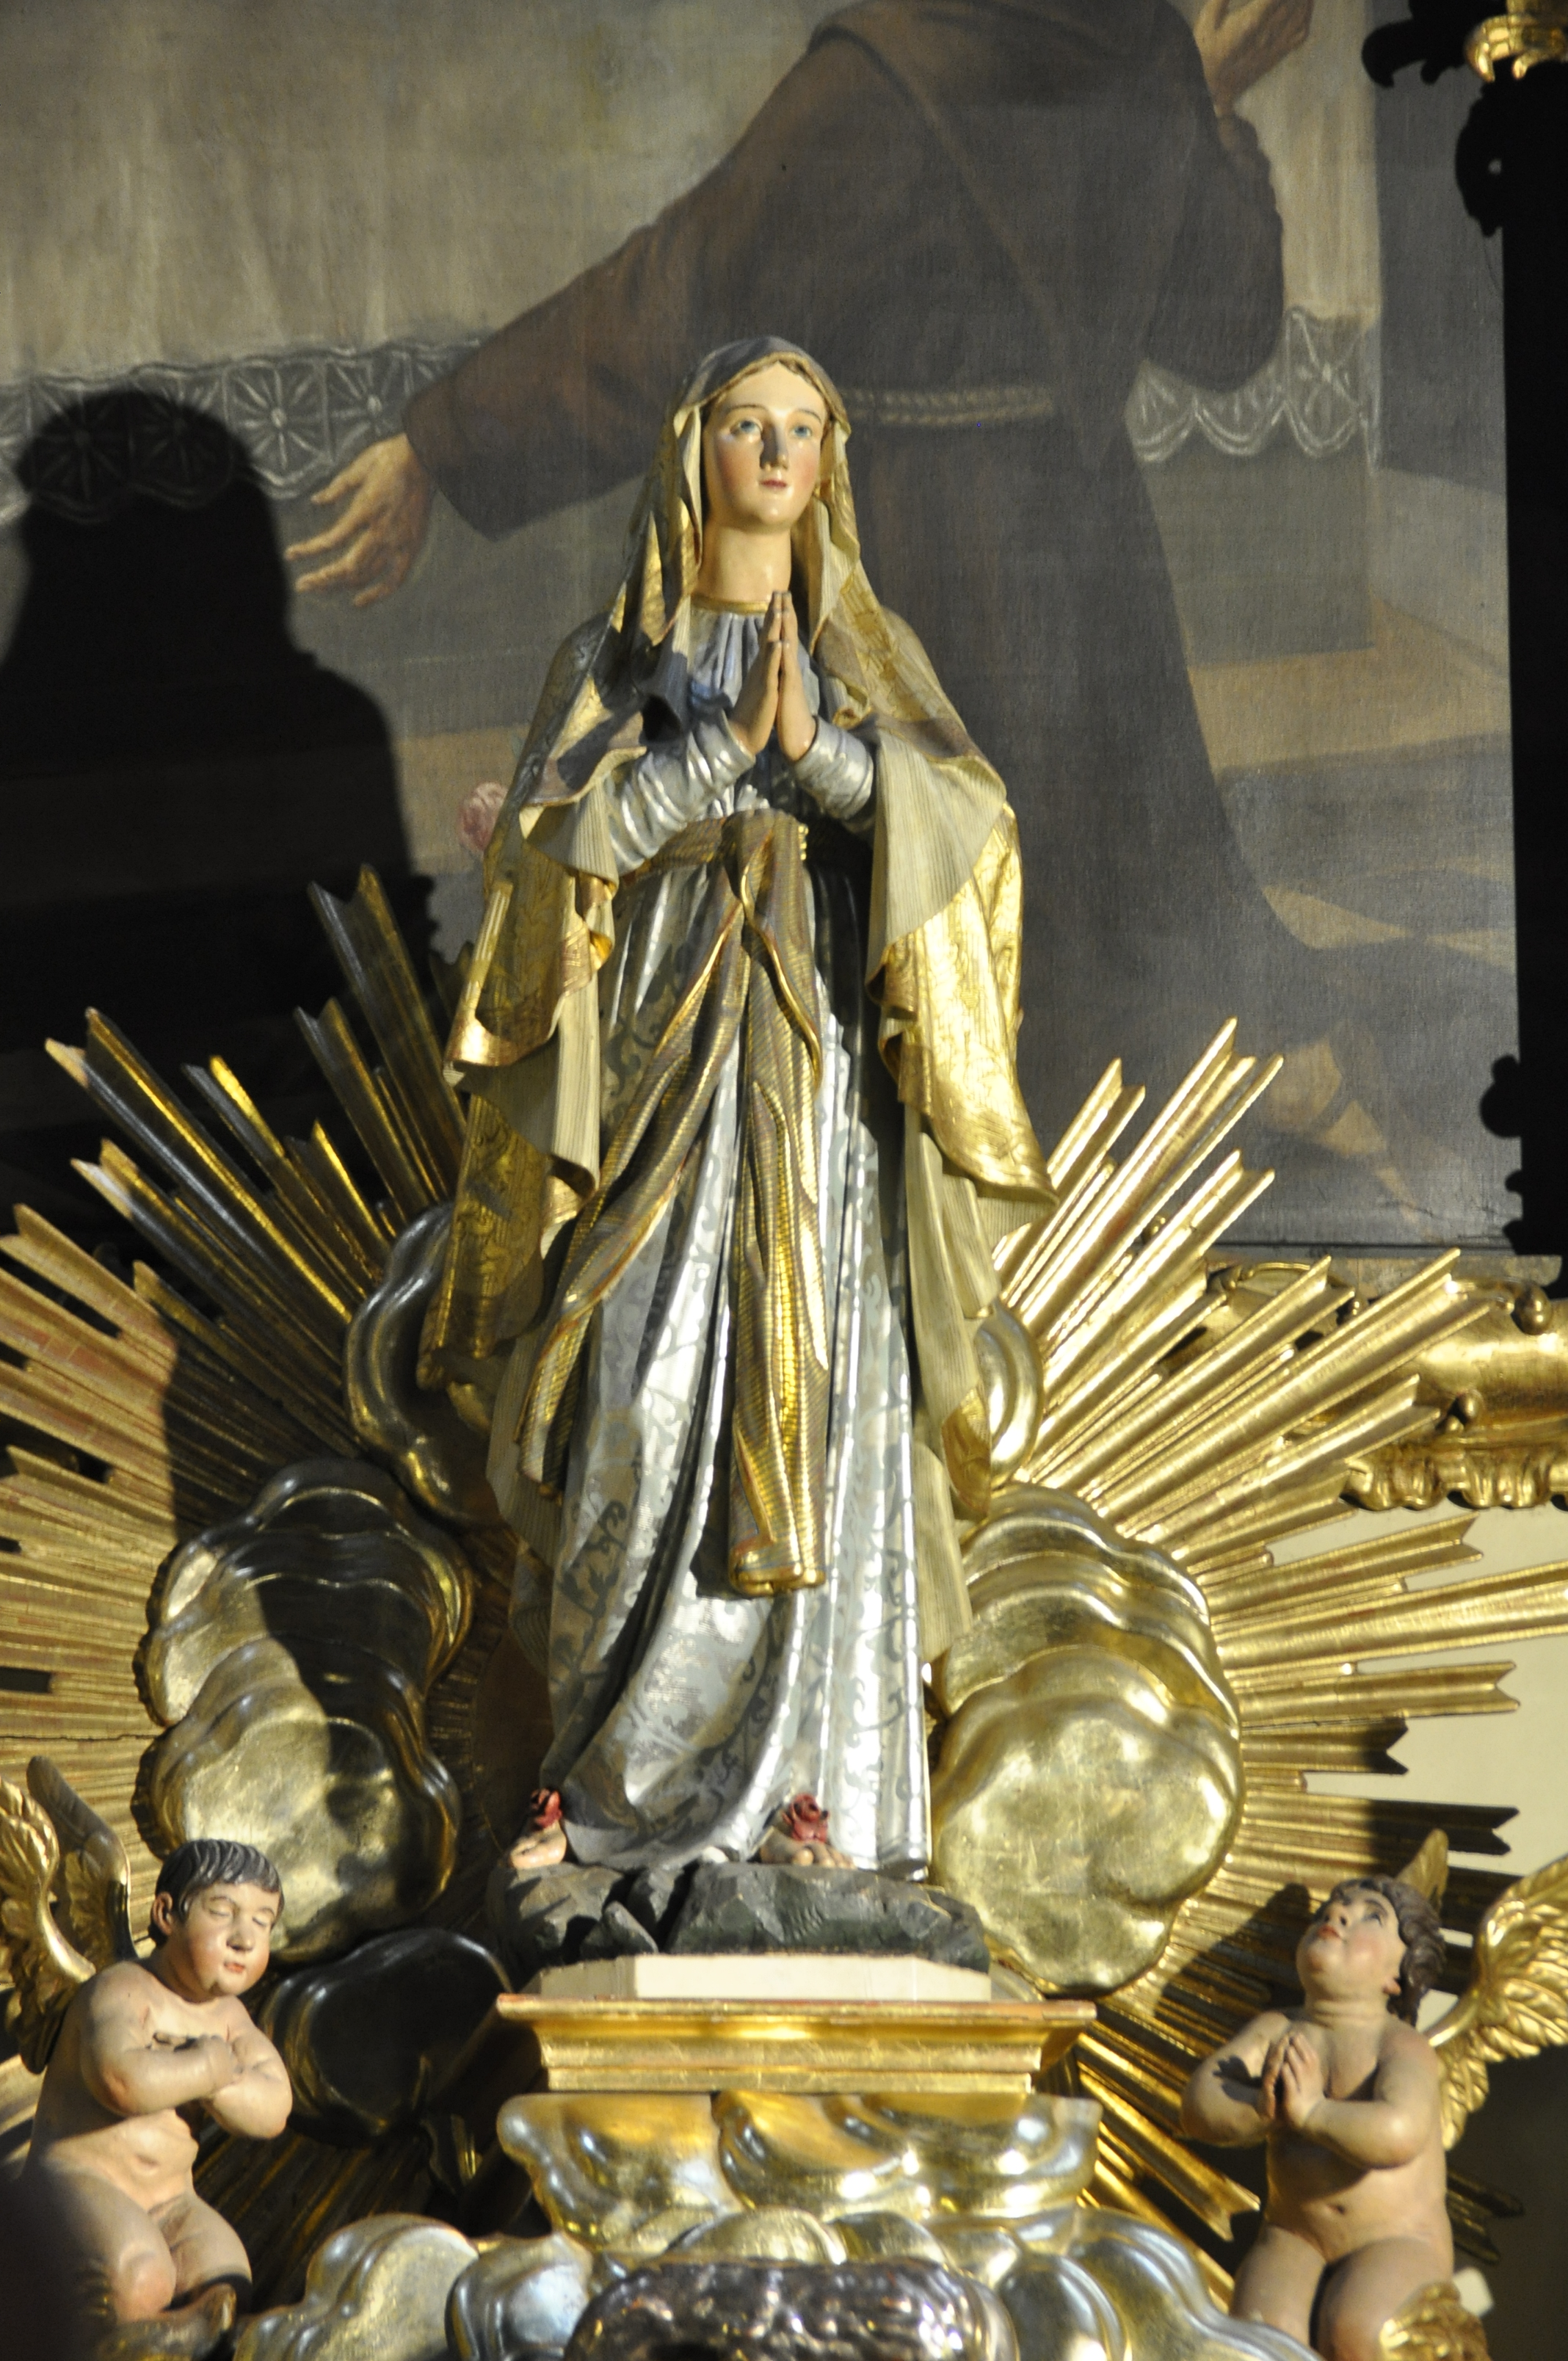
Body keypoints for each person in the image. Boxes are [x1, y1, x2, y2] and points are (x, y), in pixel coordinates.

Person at [287, 0, 1353, 1156]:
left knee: (906, 975)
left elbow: (678, 302)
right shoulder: (1132, 49)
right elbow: (1231, 331)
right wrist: (1203, 107)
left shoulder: (889, 76)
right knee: (1056, 966)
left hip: (911, 566)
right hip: (1087, 571)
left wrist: (443, 443)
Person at [418, 338, 1051, 1877]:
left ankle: (814, 1805)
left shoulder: (870, 659)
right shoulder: (611, 663)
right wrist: (712, 756)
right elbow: (552, 875)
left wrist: (823, 758)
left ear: (832, 460)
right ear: (692, 452)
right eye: (745, 424)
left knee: (822, 1413)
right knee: (638, 1407)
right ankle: (621, 1790)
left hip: (820, 1103)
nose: (775, 451)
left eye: (803, 427)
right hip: (654, 1091)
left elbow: (971, 848)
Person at [1180, 1876, 1452, 2361]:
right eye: (1327, 1909)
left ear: (1399, 1975)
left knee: (1360, 2329)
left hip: (1398, 2239)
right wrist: (1263, 2109)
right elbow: (1200, 2104)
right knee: (1259, 2334)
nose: (1336, 1915)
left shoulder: (1398, 2045)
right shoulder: (1276, 2028)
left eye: (1371, 1915)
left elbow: (1400, 2131)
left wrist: (1312, 2113)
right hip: (1294, 2233)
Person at [25, 1840, 292, 2328]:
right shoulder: (122, 1989)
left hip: (171, 2199)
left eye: (263, 1922)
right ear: (167, 1913)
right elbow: (121, 2081)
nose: (244, 1938)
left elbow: (274, 2108)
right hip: (78, 2179)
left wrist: (213, 2080)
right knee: (138, 2278)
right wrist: (211, 2068)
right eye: (223, 1912)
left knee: (224, 2281)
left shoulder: (231, 2018)